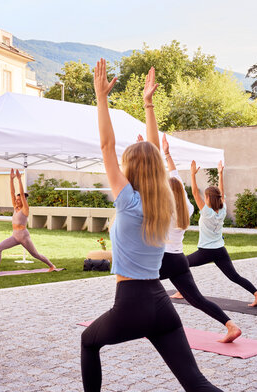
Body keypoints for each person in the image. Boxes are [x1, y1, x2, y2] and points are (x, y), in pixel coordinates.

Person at [80, 60, 222, 392]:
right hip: (161, 304)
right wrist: (147, 105)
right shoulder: (166, 201)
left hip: (132, 303)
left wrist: (101, 98)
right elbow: (156, 153)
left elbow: (106, 147)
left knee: (89, 342)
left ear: (129, 169)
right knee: (196, 382)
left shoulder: (129, 202)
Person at [156, 131, 241, 343]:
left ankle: (150, 322)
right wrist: (167, 155)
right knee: (197, 299)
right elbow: (176, 179)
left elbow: (168, 180)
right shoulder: (187, 209)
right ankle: (230, 325)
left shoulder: (163, 211)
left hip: (164, 260)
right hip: (178, 260)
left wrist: (159, 156)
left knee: (135, 283)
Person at [173, 161, 257, 307]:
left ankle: (183, 291)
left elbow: (195, 193)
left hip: (206, 251)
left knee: (181, 264)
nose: (204, 198)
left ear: (209, 198)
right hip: (220, 250)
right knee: (234, 276)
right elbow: (220, 192)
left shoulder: (207, 212)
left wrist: (192, 174)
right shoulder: (222, 210)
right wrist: (220, 173)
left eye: (206, 196)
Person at [0, 168, 57, 275]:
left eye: (19, 199)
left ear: (23, 200)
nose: (16, 200)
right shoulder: (15, 207)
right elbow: (12, 192)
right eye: (16, 199)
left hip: (24, 237)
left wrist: (19, 179)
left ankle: (52, 266)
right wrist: (11, 179)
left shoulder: (25, 209)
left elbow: (21, 193)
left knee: (35, 254)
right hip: (15, 236)